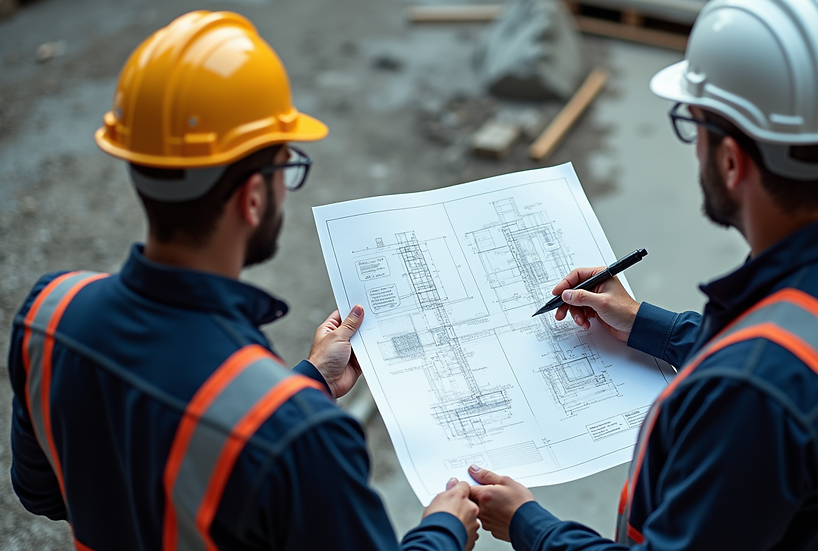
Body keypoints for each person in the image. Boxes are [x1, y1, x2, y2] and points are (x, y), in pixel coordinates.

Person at [467, 1, 818, 550]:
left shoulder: (748, 396)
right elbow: (807, 354)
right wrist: (648, 325)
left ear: (731, 161)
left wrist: (529, 523)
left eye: (692, 126)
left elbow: (769, 380)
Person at [7, 11, 478, 551]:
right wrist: (444, 530)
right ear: (253, 197)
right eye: (287, 166)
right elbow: (245, 435)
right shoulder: (306, 439)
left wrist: (307, 381)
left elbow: (43, 492)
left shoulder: (48, 314)